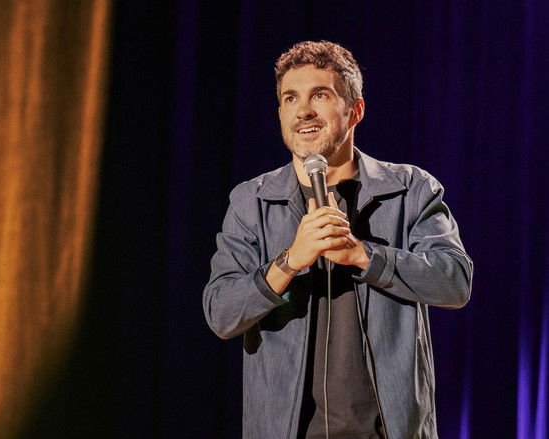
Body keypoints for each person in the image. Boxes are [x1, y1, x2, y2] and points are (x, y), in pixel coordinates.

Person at [202, 41, 473, 439]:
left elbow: (454, 282)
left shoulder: (410, 188)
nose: (304, 110)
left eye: (320, 95)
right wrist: (290, 261)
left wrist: (363, 255)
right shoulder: (252, 200)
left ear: (355, 110)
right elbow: (221, 313)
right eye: (290, 98)